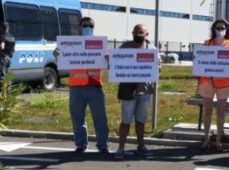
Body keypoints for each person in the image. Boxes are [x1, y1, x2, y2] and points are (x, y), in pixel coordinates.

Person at [54, 16, 110, 155]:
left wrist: (108, 59)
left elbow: (109, 64)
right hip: (76, 87)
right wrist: (57, 55)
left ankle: (103, 145)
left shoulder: (100, 44)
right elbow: (62, 60)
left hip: (94, 86)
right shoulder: (69, 44)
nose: (87, 28)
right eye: (85, 25)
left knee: (100, 118)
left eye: (90, 25)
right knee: (77, 118)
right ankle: (81, 145)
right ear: (79, 27)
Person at [114, 24, 155, 160]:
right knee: (126, 120)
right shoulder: (125, 47)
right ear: (132, 33)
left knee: (141, 120)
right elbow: (115, 62)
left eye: (141, 32)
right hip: (128, 89)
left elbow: (159, 66)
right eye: (136, 32)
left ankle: (141, 146)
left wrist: (158, 67)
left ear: (147, 34)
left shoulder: (152, 50)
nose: (138, 35)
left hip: (145, 89)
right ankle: (121, 148)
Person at [199, 18, 229, 151]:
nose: (220, 30)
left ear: (226, 30)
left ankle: (219, 141)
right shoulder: (207, 44)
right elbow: (200, 59)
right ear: (213, 30)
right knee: (207, 112)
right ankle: (206, 139)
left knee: (220, 113)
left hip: (224, 83)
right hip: (207, 81)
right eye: (218, 28)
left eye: (222, 28)